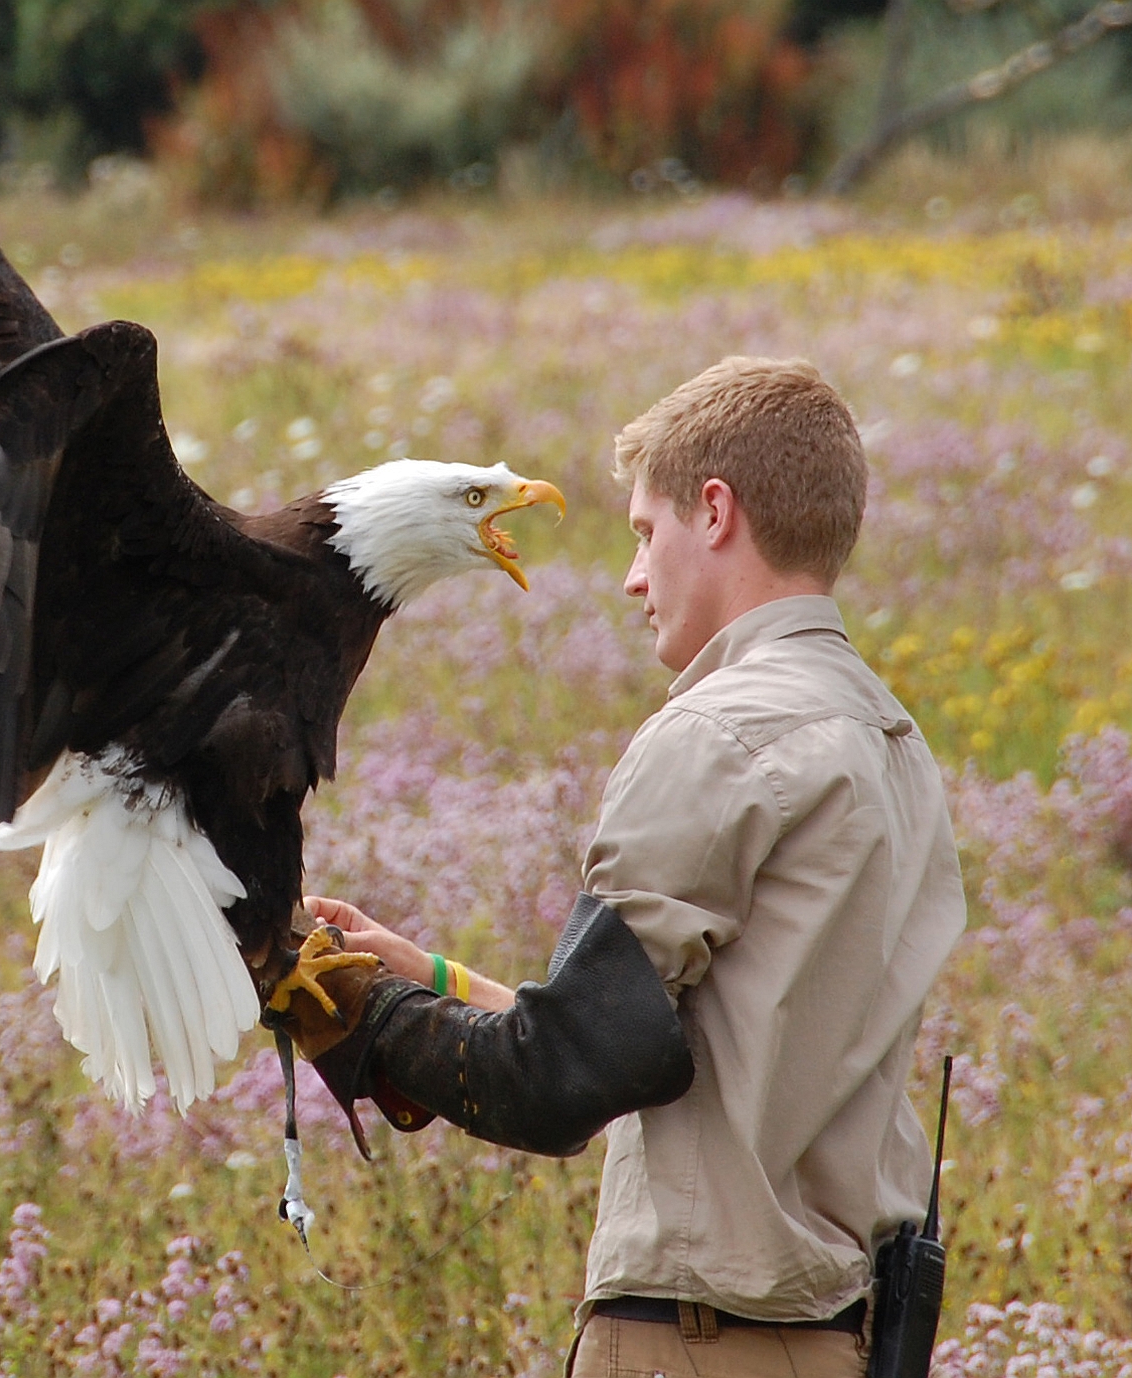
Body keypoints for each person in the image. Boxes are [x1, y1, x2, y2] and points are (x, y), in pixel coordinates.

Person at [292, 356, 968, 1378]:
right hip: (834, 1341)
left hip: (695, 1345)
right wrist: (419, 977)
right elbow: (677, 1046)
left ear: (714, 511)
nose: (631, 576)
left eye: (643, 533)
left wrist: (336, 1004)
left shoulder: (713, 734)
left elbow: (558, 1077)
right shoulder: (887, 739)